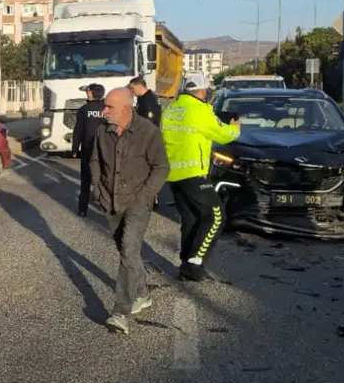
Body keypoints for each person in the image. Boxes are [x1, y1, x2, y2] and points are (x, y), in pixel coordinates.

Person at [90, 88, 168, 335]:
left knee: (128, 249)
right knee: (127, 251)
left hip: (137, 203)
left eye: (109, 107)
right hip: (110, 201)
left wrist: (144, 196)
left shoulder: (148, 132)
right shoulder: (103, 130)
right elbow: (94, 160)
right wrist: (97, 189)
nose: (104, 111)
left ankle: (120, 313)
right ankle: (143, 293)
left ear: (125, 109)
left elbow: (161, 167)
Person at [162, 73, 241, 281]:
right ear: (203, 91)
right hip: (193, 173)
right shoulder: (200, 110)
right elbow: (223, 134)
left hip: (174, 173)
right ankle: (194, 264)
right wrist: (235, 128)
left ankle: (186, 263)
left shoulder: (171, 109)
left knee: (190, 219)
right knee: (216, 217)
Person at [71, 84, 107, 217]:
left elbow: (78, 131)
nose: (87, 93)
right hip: (104, 150)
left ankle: (82, 209)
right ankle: (105, 206)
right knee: (105, 178)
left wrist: (75, 149)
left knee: (85, 180)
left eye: (88, 91)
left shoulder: (84, 110)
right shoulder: (107, 109)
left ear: (91, 94)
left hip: (87, 148)